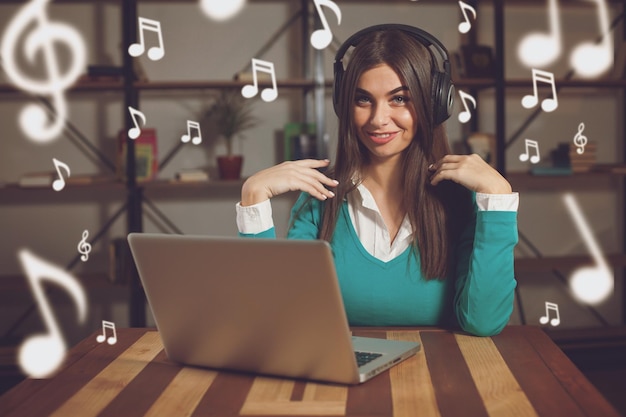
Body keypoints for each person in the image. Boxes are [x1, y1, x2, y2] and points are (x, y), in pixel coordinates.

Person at [235, 24, 519, 336]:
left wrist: (499, 196)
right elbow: (277, 322)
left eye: (399, 99)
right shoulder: (319, 199)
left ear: (434, 103)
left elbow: (483, 322)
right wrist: (253, 199)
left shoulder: (462, 203)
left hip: (442, 376)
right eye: (363, 99)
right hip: (343, 377)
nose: (378, 119)